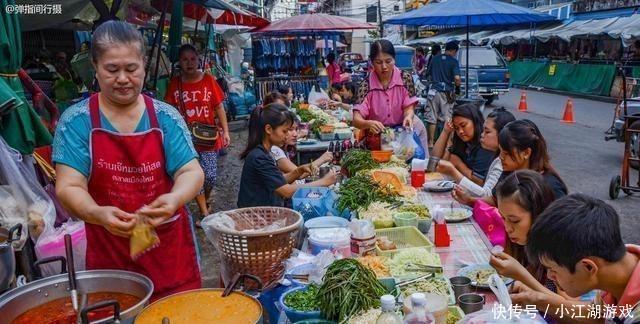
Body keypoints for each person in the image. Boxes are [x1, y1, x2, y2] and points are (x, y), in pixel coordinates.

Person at [53, 21, 202, 300]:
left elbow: (190, 171)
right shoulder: (76, 121)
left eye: (131, 69)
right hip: (110, 255)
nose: (123, 78)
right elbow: (69, 186)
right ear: (95, 68)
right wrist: (97, 213)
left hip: (169, 254)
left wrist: (175, 198)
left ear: (144, 66)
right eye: (112, 70)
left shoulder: (166, 118)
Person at [523, 194, 640, 323]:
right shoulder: (615, 263)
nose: (550, 276)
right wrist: (536, 300)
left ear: (588, 267)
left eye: (553, 270)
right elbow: (596, 315)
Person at [164, 44, 230, 220]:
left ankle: (206, 198)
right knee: (194, 175)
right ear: (179, 62)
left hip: (208, 137)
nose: (189, 63)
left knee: (209, 176)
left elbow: (219, 107)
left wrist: (226, 131)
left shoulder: (208, 80)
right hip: (185, 139)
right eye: (185, 59)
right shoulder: (175, 84)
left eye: (192, 58)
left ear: (198, 60)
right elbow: (169, 111)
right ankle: (204, 211)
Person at [238, 103, 337, 208]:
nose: (286, 136)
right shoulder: (259, 157)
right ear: (268, 129)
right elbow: (286, 191)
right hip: (255, 216)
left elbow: (277, 180)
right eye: (284, 131)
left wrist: (299, 171)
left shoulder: (265, 152)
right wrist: (324, 182)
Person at [454, 119, 568, 207]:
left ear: (526, 153)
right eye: (500, 151)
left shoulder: (550, 186)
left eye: (507, 153)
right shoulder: (509, 172)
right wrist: (469, 200)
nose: (501, 158)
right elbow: (496, 200)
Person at [353, 39, 430, 152]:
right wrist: (367, 123)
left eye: (388, 61)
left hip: (402, 132)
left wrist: (408, 116)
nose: (384, 67)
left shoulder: (405, 78)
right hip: (376, 137)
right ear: (371, 62)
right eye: (378, 62)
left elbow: (408, 107)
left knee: (416, 161)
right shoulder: (365, 85)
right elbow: (356, 119)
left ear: (394, 59)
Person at [438, 108, 515, 198]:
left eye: (487, 131)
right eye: (456, 128)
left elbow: (486, 196)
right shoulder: (497, 158)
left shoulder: (501, 162)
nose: (482, 135)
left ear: (503, 134)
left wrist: (454, 171)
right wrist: (446, 132)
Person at [432, 103, 495, 185]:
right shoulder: (461, 142)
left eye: (463, 125)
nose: (460, 131)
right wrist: (446, 131)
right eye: (457, 128)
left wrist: (458, 164)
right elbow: (434, 161)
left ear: (475, 122)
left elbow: (479, 182)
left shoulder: (485, 145)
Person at [426, 41, 461, 147]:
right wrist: (458, 88)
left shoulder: (435, 58)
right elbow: (457, 78)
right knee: (447, 117)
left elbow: (428, 74)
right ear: (454, 51)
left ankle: (430, 142)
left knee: (432, 117)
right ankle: (448, 143)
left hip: (433, 91)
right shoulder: (454, 61)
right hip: (446, 92)